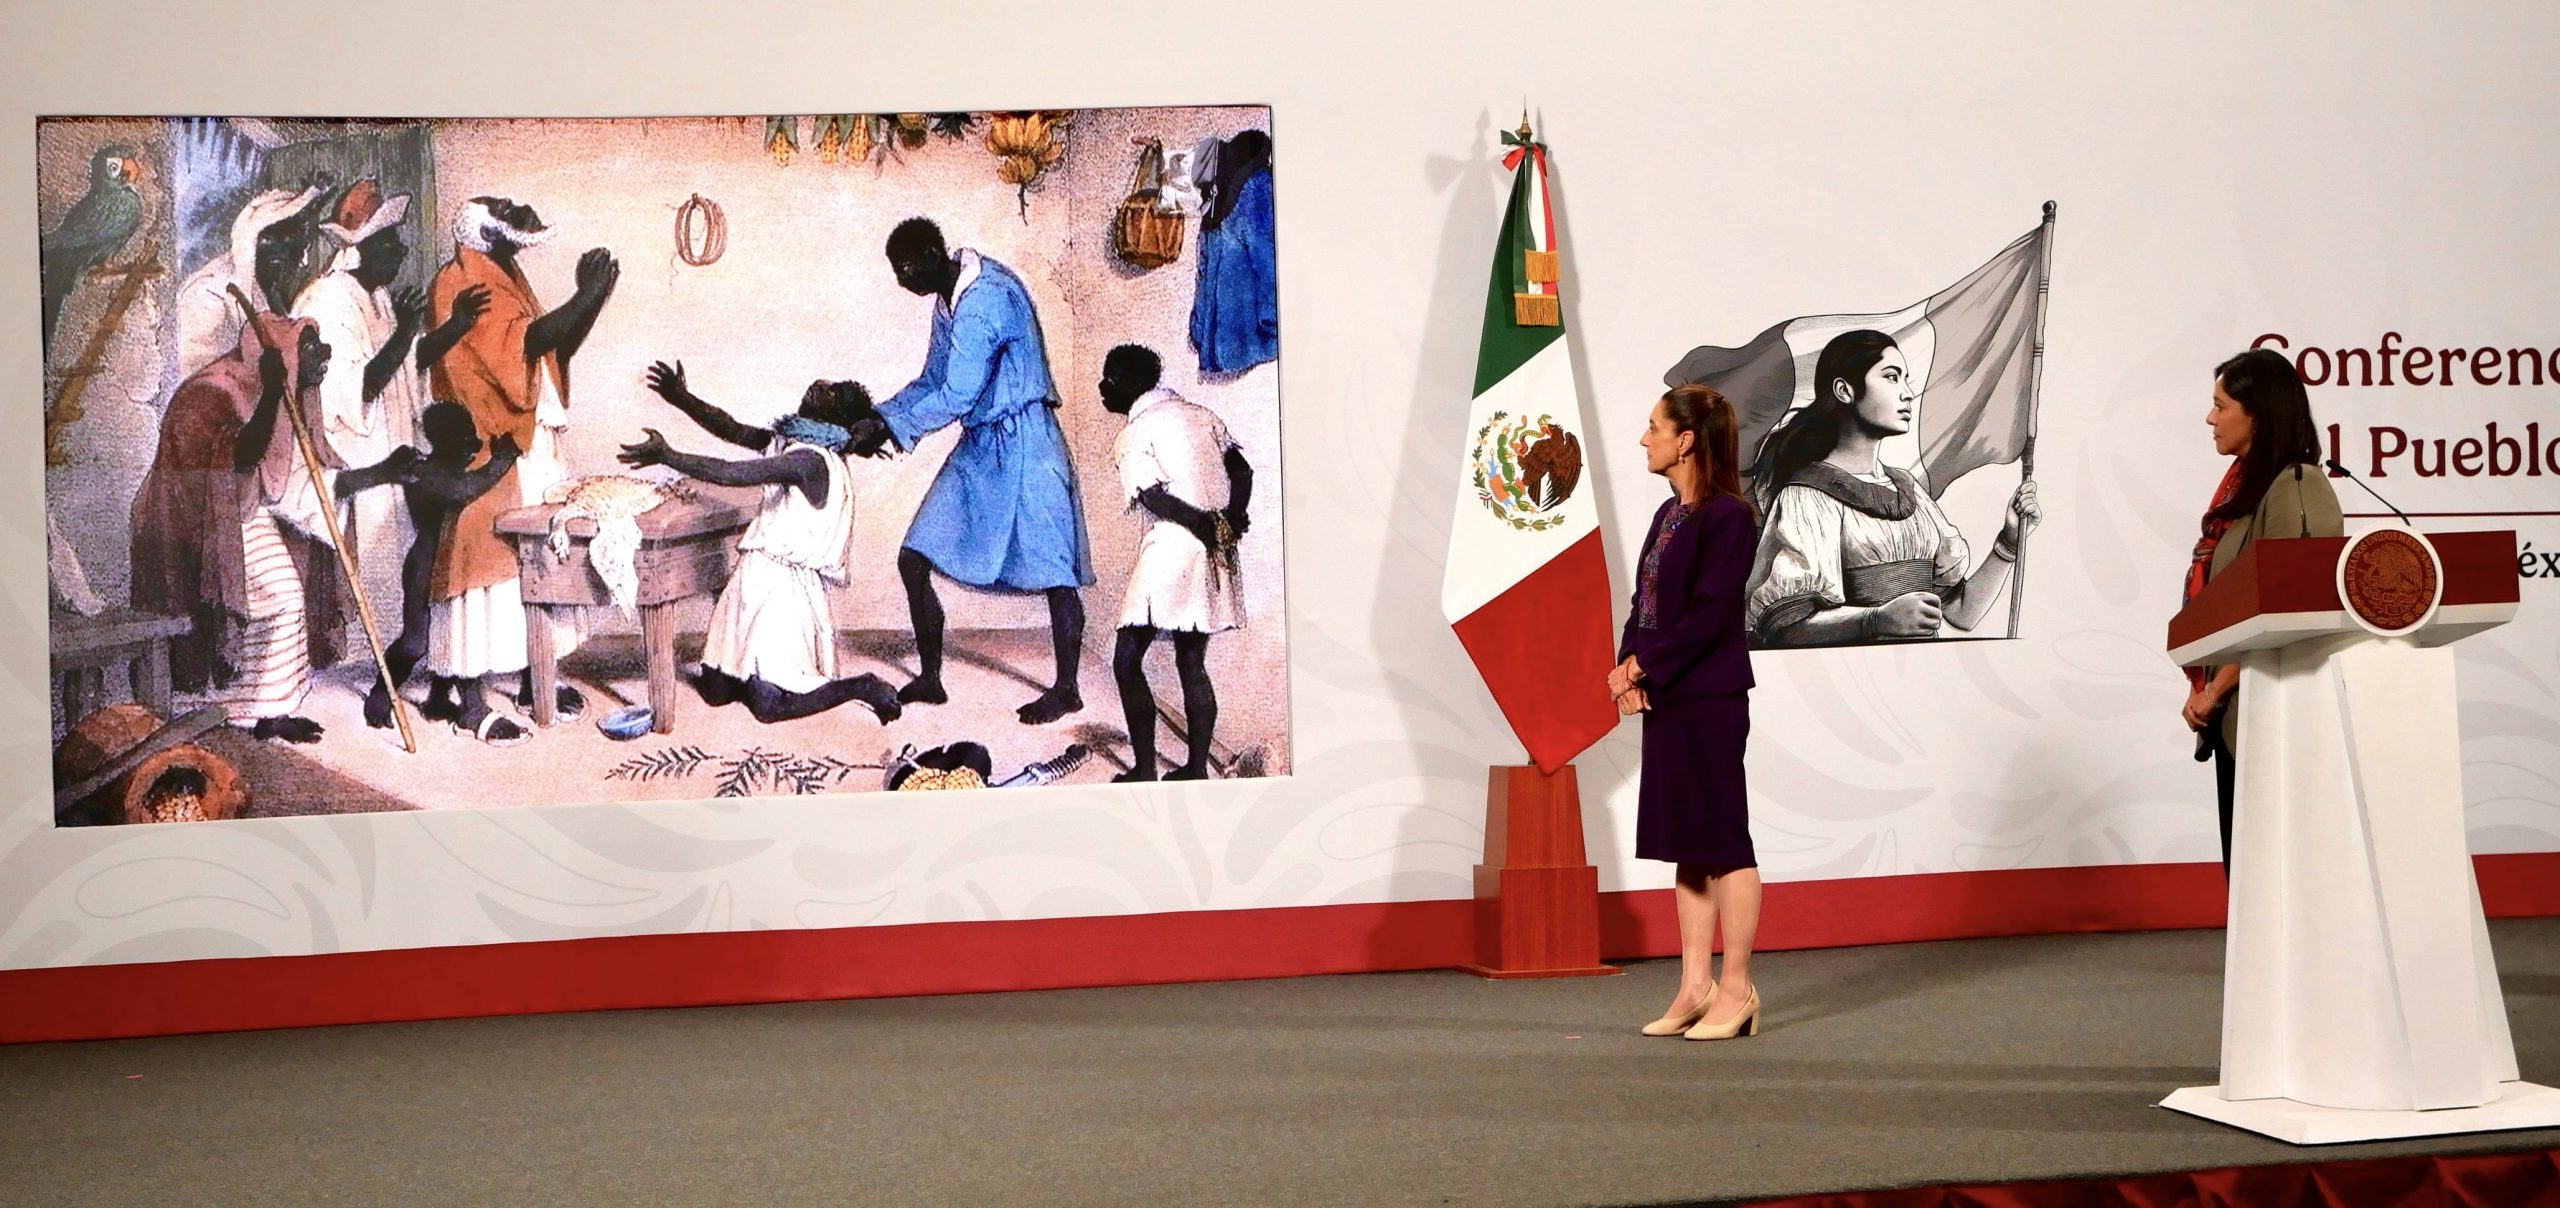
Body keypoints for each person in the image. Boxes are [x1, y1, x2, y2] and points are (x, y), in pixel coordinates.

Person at [850, 217, 1095, 725]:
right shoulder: (948, 299)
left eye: (907, 267)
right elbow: (932, 380)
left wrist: (890, 429)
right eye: (898, 269)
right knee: (914, 558)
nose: (902, 279)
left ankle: (1067, 688)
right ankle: (932, 678)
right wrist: (881, 416)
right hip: (983, 440)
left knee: (1056, 573)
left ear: (934, 256)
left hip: (1027, 440)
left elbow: (958, 393)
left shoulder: (987, 296)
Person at [1609, 385, 1767, 1041]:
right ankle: (1695, 986)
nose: (1643, 439)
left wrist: (1642, 666)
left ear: (1686, 440)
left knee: (1725, 841)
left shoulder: (1730, 516)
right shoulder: (1667, 514)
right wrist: (1625, 667)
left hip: (1711, 696)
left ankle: (1738, 989)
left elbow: (1709, 614)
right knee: (1689, 847)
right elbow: (1643, 604)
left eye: (1653, 427)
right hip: (1671, 697)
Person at [424, 196, 619, 724]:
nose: (522, 211)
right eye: (507, 210)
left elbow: (553, 353)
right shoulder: (460, 280)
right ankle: (472, 703)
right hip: (496, 443)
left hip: (534, 443)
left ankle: (537, 679)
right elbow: (520, 346)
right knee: (494, 569)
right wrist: (587, 293)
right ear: (486, 231)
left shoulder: (506, 275)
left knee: (541, 563)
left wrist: (593, 300)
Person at [628, 362, 903, 724]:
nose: (820, 386)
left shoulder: (810, 461)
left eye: (832, 393)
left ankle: (862, 686)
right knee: (715, 692)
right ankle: (756, 671)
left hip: (783, 590)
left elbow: (730, 473)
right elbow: (729, 428)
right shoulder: (790, 443)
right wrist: (682, 398)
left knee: (768, 708)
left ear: (836, 422)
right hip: (754, 575)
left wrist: (669, 456)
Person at [1742, 329, 2041, 645]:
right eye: (1891, 377)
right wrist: (1876, 620)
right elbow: (1787, 630)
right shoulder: (1807, 496)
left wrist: (2008, 542)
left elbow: (1962, 613)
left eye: (1906, 378)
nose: (1908, 393)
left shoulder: (1908, 490)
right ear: (1844, 390)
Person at [130, 310, 348, 742]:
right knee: (274, 596)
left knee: (288, 594)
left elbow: (285, 470)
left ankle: (268, 708)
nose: (320, 356)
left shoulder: (272, 386)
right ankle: (239, 708)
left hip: (238, 510)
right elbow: (240, 458)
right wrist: (271, 394)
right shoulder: (211, 393)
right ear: (277, 354)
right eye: (306, 348)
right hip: (190, 523)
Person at [293, 179, 491, 612]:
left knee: (401, 559)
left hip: (390, 448)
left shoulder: (378, 296)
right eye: (391, 243)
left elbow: (406, 363)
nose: (401, 252)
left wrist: (454, 327)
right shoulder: (327, 299)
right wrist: (404, 330)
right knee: (370, 566)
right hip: (359, 456)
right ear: (362, 249)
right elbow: (357, 388)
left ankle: (394, 652)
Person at [2182, 348, 2342, 872]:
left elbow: (2293, 613)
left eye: (2220, 405)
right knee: (2250, 871)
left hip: (2276, 711)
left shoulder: (2298, 485)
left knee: (2276, 872)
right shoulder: (2246, 490)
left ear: (2258, 412)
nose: (2210, 418)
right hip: (2240, 712)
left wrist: (2219, 687)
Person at [1094, 344, 1252, 781]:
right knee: (1192, 663)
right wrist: (1231, 520)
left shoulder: (1133, 433)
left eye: (1110, 378)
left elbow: (1152, 495)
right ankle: (1196, 770)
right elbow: (1242, 472)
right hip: (1216, 548)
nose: (1103, 387)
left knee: (1127, 661)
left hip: (1172, 547)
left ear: (1129, 382)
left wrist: (1202, 524)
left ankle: (1145, 771)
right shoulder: (1202, 414)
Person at [333, 404, 527, 744]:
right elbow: (462, 491)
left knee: (455, 627)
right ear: (439, 440)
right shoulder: (422, 471)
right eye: (463, 437)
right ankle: (383, 690)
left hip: (455, 562)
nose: (472, 442)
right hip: (426, 565)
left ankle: (441, 699)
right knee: (416, 640)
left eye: (472, 434)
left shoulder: (455, 465)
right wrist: (502, 460)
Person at [173, 185, 327, 376]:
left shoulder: (270, 296)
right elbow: (198, 386)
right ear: (251, 240)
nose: (281, 253)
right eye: (270, 239)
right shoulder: (209, 296)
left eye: (290, 242)